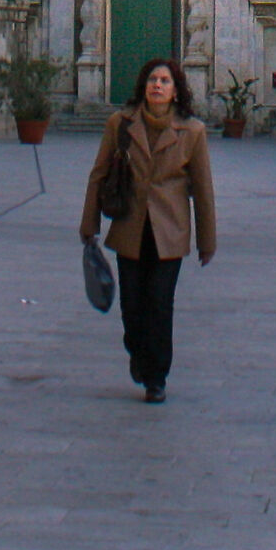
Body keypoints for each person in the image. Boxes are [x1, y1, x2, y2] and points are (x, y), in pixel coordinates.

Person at [79, 58, 216, 404]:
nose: (158, 85)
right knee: (131, 306)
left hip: (169, 230)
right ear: (143, 86)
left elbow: (203, 189)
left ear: (176, 91)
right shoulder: (120, 124)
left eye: (165, 81)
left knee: (159, 304)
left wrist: (207, 240)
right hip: (131, 225)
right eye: (153, 79)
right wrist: (89, 223)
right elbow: (99, 174)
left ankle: (156, 378)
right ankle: (138, 351)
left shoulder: (192, 131)